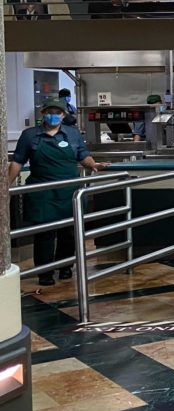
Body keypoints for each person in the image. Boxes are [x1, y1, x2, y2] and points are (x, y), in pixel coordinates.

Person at [8, 97, 109, 286]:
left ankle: (65, 267)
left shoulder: (72, 134)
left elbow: (83, 155)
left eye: (57, 113)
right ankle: (44, 273)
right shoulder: (30, 135)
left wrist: (94, 164)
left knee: (69, 233)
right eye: (49, 112)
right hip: (42, 192)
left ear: (63, 115)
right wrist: (5, 186)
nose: (53, 116)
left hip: (69, 191)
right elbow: (17, 162)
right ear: (43, 114)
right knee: (44, 234)